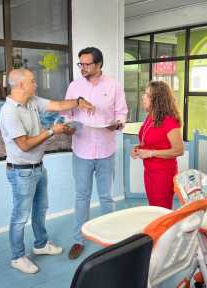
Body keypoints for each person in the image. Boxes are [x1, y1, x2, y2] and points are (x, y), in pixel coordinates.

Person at [0, 68, 94, 274]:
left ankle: (41, 244)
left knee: (40, 209)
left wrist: (78, 101)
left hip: (38, 168)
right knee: (20, 217)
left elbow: (58, 105)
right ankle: (17, 257)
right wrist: (52, 131)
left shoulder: (32, 102)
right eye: (33, 81)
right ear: (21, 85)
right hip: (21, 172)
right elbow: (24, 145)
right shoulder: (9, 111)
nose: (36, 84)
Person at [63, 47, 128, 260]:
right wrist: (68, 125)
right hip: (81, 150)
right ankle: (78, 240)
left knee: (106, 197)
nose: (82, 68)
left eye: (87, 64)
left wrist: (117, 125)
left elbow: (122, 112)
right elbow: (66, 113)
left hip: (106, 150)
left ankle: (109, 241)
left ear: (99, 65)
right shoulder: (74, 86)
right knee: (81, 196)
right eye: (80, 64)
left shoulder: (113, 85)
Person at [131, 81, 184, 209]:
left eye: (148, 95)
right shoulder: (151, 117)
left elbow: (179, 150)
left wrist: (150, 153)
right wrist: (137, 148)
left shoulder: (169, 121)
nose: (143, 97)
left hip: (163, 174)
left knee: (162, 210)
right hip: (149, 171)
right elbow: (150, 141)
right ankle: (157, 229)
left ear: (158, 100)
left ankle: (165, 230)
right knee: (153, 209)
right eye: (145, 94)